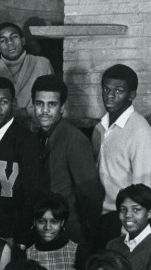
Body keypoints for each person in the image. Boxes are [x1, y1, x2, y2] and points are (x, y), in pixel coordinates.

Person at [92, 64, 151, 253]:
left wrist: (131, 231)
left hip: (121, 220)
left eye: (118, 91)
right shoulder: (100, 127)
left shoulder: (141, 133)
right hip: (99, 216)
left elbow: (145, 189)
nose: (110, 95)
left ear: (132, 95)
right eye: (106, 89)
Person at [32, 76, 102, 244]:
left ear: (62, 108)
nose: (45, 110)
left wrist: (84, 234)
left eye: (52, 105)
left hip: (70, 232)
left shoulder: (73, 139)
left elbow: (90, 193)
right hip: (46, 230)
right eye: (39, 103)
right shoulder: (37, 137)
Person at [0, 77, 48, 244]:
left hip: (12, 232)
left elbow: (32, 193)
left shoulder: (26, 141)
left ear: (14, 103)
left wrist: (21, 235)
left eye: (3, 102)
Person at [25, 194, 80, 270]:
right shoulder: (27, 254)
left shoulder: (77, 251)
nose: (47, 227)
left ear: (62, 222)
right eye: (41, 221)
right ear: (34, 222)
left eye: (54, 222)